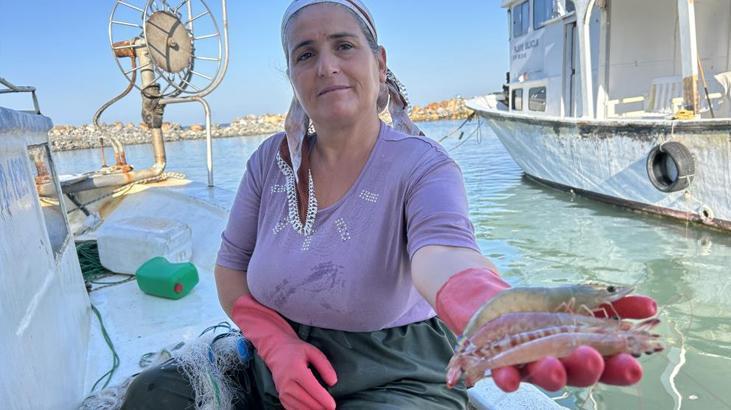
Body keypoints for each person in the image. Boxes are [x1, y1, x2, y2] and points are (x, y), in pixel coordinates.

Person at [122, 1, 657, 408]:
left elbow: (445, 254)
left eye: (343, 46)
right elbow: (231, 270)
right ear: (292, 76)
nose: (326, 65)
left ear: (379, 63)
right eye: (305, 54)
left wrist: (484, 305)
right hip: (273, 356)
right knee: (152, 395)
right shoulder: (268, 163)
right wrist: (276, 345)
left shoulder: (423, 166)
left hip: (397, 366)